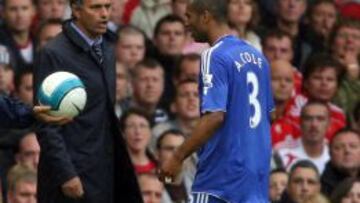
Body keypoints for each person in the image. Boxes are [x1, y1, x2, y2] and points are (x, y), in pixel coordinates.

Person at [159, 0, 274, 202]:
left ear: (206, 16)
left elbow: (215, 116)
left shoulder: (214, 56)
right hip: (256, 176)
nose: (186, 24)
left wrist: (177, 157)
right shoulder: (258, 58)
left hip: (222, 177)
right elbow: (269, 113)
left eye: (189, 16)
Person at [33, 0, 142, 201]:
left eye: (107, 7)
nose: (104, 14)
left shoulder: (107, 47)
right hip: (73, 173)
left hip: (104, 168)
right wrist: (66, 174)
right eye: (96, 7)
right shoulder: (54, 53)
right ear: (76, 10)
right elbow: (46, 122)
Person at [321, 129, 360, 197]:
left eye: (353, 146)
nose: (347, 151)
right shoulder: (319, 188)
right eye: (339, 147)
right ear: (330, 153)